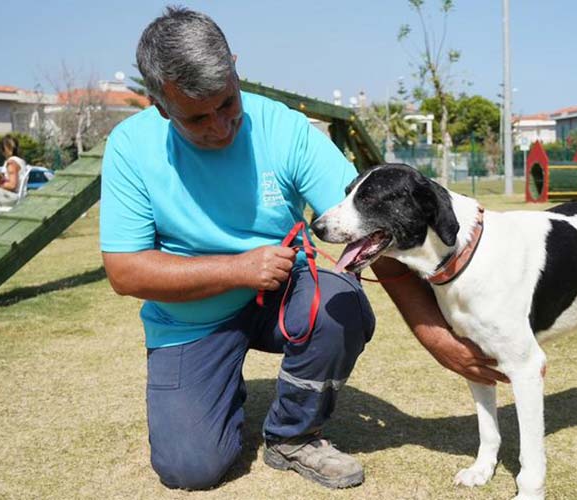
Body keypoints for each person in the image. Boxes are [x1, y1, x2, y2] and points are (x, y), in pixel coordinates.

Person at [101, 6, 506, 492]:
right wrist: (237, 270)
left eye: (227, 103)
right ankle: (214, 384)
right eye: (197, 117)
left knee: (340, 301)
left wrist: (437, 338)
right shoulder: (130, 147)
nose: (221, 126)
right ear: (161, 106)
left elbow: (374, 231)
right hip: (190, 319)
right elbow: (125, 271)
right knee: (191, 468)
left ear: (234, 68)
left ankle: (293, 435)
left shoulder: (285, 129)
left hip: (281, 295)